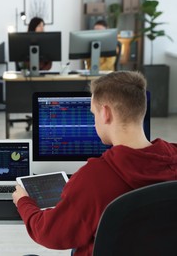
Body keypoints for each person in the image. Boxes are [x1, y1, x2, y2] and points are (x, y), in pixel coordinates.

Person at [12, 71, 177, 256]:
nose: (94, 121)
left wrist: (23, 202)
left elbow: (48, 233)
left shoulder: (94, 178)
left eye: (93, 113)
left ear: (105, 113)